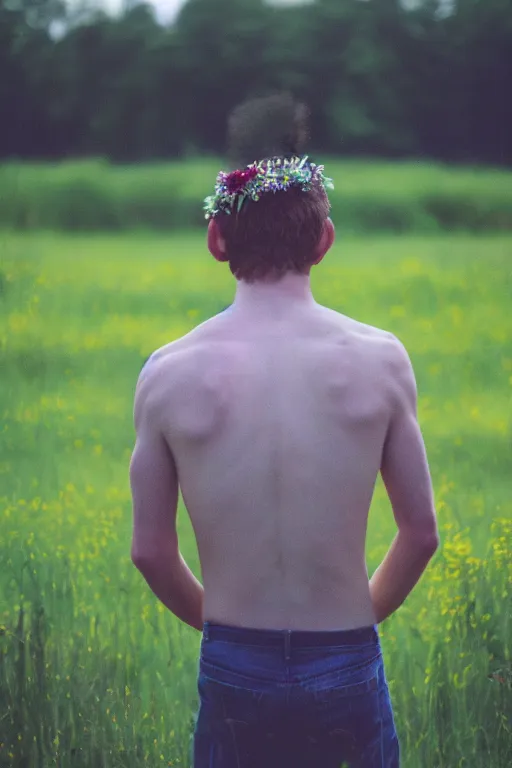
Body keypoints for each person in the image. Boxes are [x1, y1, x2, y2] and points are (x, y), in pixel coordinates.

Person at [129, 94, 440, 768]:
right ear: (324, 241)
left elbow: (150, 550)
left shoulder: (166, 373)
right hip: (347, 650)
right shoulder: (382, 358)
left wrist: (225, 633)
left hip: (234, 652)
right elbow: (421, 534)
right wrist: (357, 626)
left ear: (216, 240)